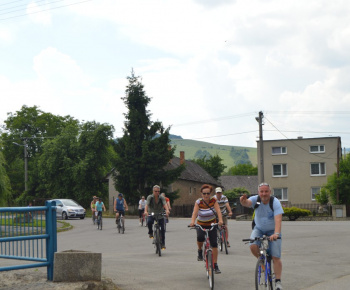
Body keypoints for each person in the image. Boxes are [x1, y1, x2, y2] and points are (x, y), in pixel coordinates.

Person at [240, 182, 284, 290]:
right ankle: (261, 261)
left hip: (273, 231)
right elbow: (248, 203)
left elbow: (278, 219)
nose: (264, 194)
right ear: (258, 192)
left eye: (266, 191)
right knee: (252, 245)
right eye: (261, 191)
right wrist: (243, 201)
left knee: (276, 257)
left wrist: (276, 234)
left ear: (270, 192)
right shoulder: (256, 199)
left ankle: (278, 282)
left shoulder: (275, 202)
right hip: (258, 228)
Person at [189, 184, 223, 274]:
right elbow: (195, 213)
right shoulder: (198, 202)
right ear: (201, 194)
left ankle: (215, 265)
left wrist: (220, 221)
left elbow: (218, 211)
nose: (206, 195)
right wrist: (193, 222)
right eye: (204, 193)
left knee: (214, 244)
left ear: (210, 194)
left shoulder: (213, 201)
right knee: (200, 237)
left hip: (212, 224)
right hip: (201, 224)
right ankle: (200, 250)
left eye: (208, 193)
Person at [144, 185, 170, 250]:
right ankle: (150, 232)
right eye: (156, 191)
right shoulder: (150, 197)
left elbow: (165, 204)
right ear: (153, 191)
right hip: (152, 213)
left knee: (163, 229)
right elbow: (147, 204)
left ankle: (163, 244)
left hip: (160, 213)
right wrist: (145, 211)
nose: (157, 193)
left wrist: (167, 210)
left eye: (158, 191)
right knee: (149, 222)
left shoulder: (161, 198)